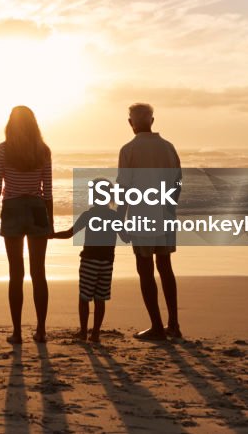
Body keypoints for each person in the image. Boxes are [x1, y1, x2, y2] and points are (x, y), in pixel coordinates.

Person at [0, 106, 53, 344]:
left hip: (12, 209)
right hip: (37, 208)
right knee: (39, 273)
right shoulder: (43, 150)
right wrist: (49, 222)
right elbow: (48, 190)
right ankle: (41, 330)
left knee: (15, 273)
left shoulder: (2, 150)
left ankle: (17, 332)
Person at [118, 103, 183, 341]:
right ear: (152, 121)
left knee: (145, 270)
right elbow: (177, 182)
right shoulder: (168, 147)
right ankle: (173, 323)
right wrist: (170, 206)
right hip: (165, 215)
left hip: (141, 215)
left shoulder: (129, 150)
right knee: (165, 267)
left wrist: (120, 220)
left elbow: (124, 188)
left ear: (130, 123)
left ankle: (157, 326)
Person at [51, 187, 118, 343]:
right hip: (107, 262)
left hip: (89, 261)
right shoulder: (114, 217)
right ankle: (95, 333)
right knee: (100, 298)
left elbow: (69, 233)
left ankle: (83, 332)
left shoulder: (89, 215)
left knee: (84, 298)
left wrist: (52, 235)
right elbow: (125, 236)